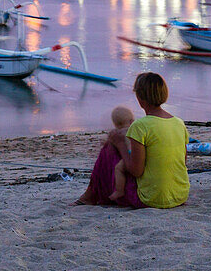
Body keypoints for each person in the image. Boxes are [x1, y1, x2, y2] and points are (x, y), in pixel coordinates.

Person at [75, 72, 190, 209]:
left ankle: (90, 195)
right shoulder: (179, 123)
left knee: (108, 149)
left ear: (140, 97)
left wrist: (120, 144)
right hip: (180, 195)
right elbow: (182, 161)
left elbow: (136, 171)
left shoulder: (139, 126)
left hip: (151, 198)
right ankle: (90, 195)